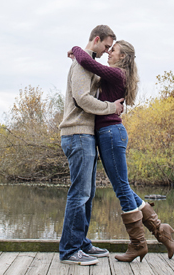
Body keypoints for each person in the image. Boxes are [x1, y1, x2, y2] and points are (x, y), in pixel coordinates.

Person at [69, 39, 174, 262]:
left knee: (122, 190)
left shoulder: (117, 74)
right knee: (123, 188)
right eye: (108, 49)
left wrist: (77, 50)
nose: (108, 53)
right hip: (109, 134)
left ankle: (139, 244)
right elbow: (92, 72)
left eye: (113, 50)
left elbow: (90, 64)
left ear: (122, 57)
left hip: (110, 134)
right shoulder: (115, 75)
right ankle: (160, 231)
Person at [58, 25, 125, 266]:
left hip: (86, 135)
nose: (108, 51)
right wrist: (111, 108)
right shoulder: (79, 66)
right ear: (96, 39)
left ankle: (81, 242)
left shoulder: (85, 64)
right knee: (79, 193)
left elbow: (97, 78)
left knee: (88, 193)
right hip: (76, 134)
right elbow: (82, 99)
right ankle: (69, 250)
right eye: (106, 46)